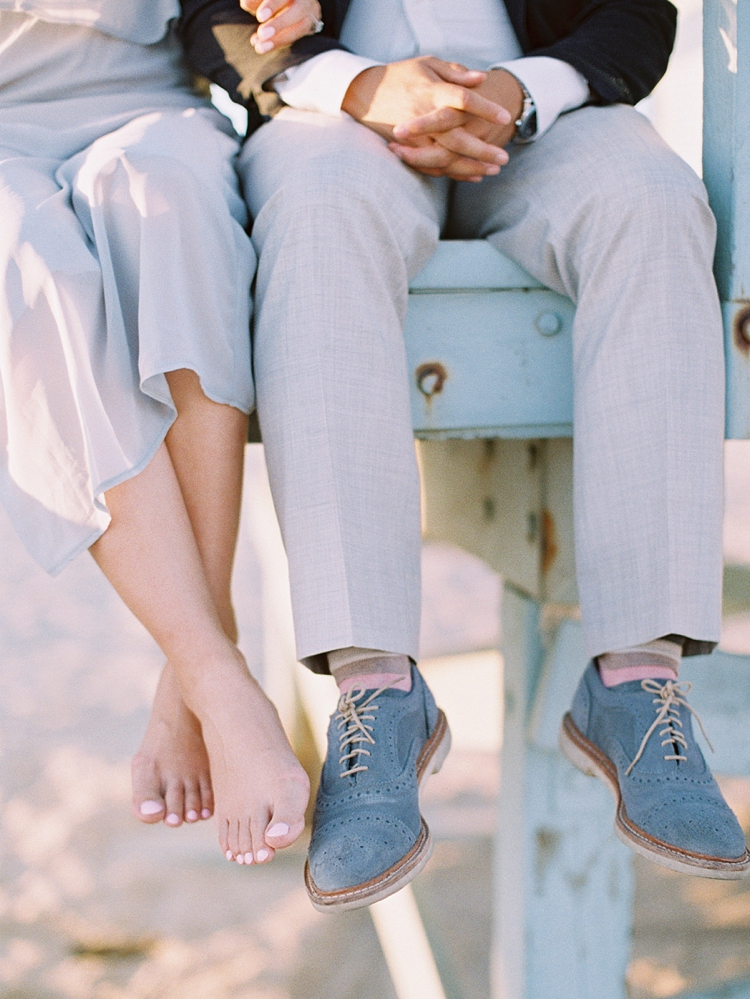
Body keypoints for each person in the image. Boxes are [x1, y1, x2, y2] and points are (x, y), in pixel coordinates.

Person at [179, 0, 750, 910]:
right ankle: (375, 692)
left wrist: (527, 91)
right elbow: (209, 11)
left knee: (653, 201)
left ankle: (638, 681)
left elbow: (638, 11)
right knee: (318, 209)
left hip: (547, 117)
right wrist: (358, 84)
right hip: (332, 119)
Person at [0, 0, 322, 868]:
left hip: (149, 102)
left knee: (163, 198)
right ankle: (217, 676)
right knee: (29, 263)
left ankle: (193, 674)